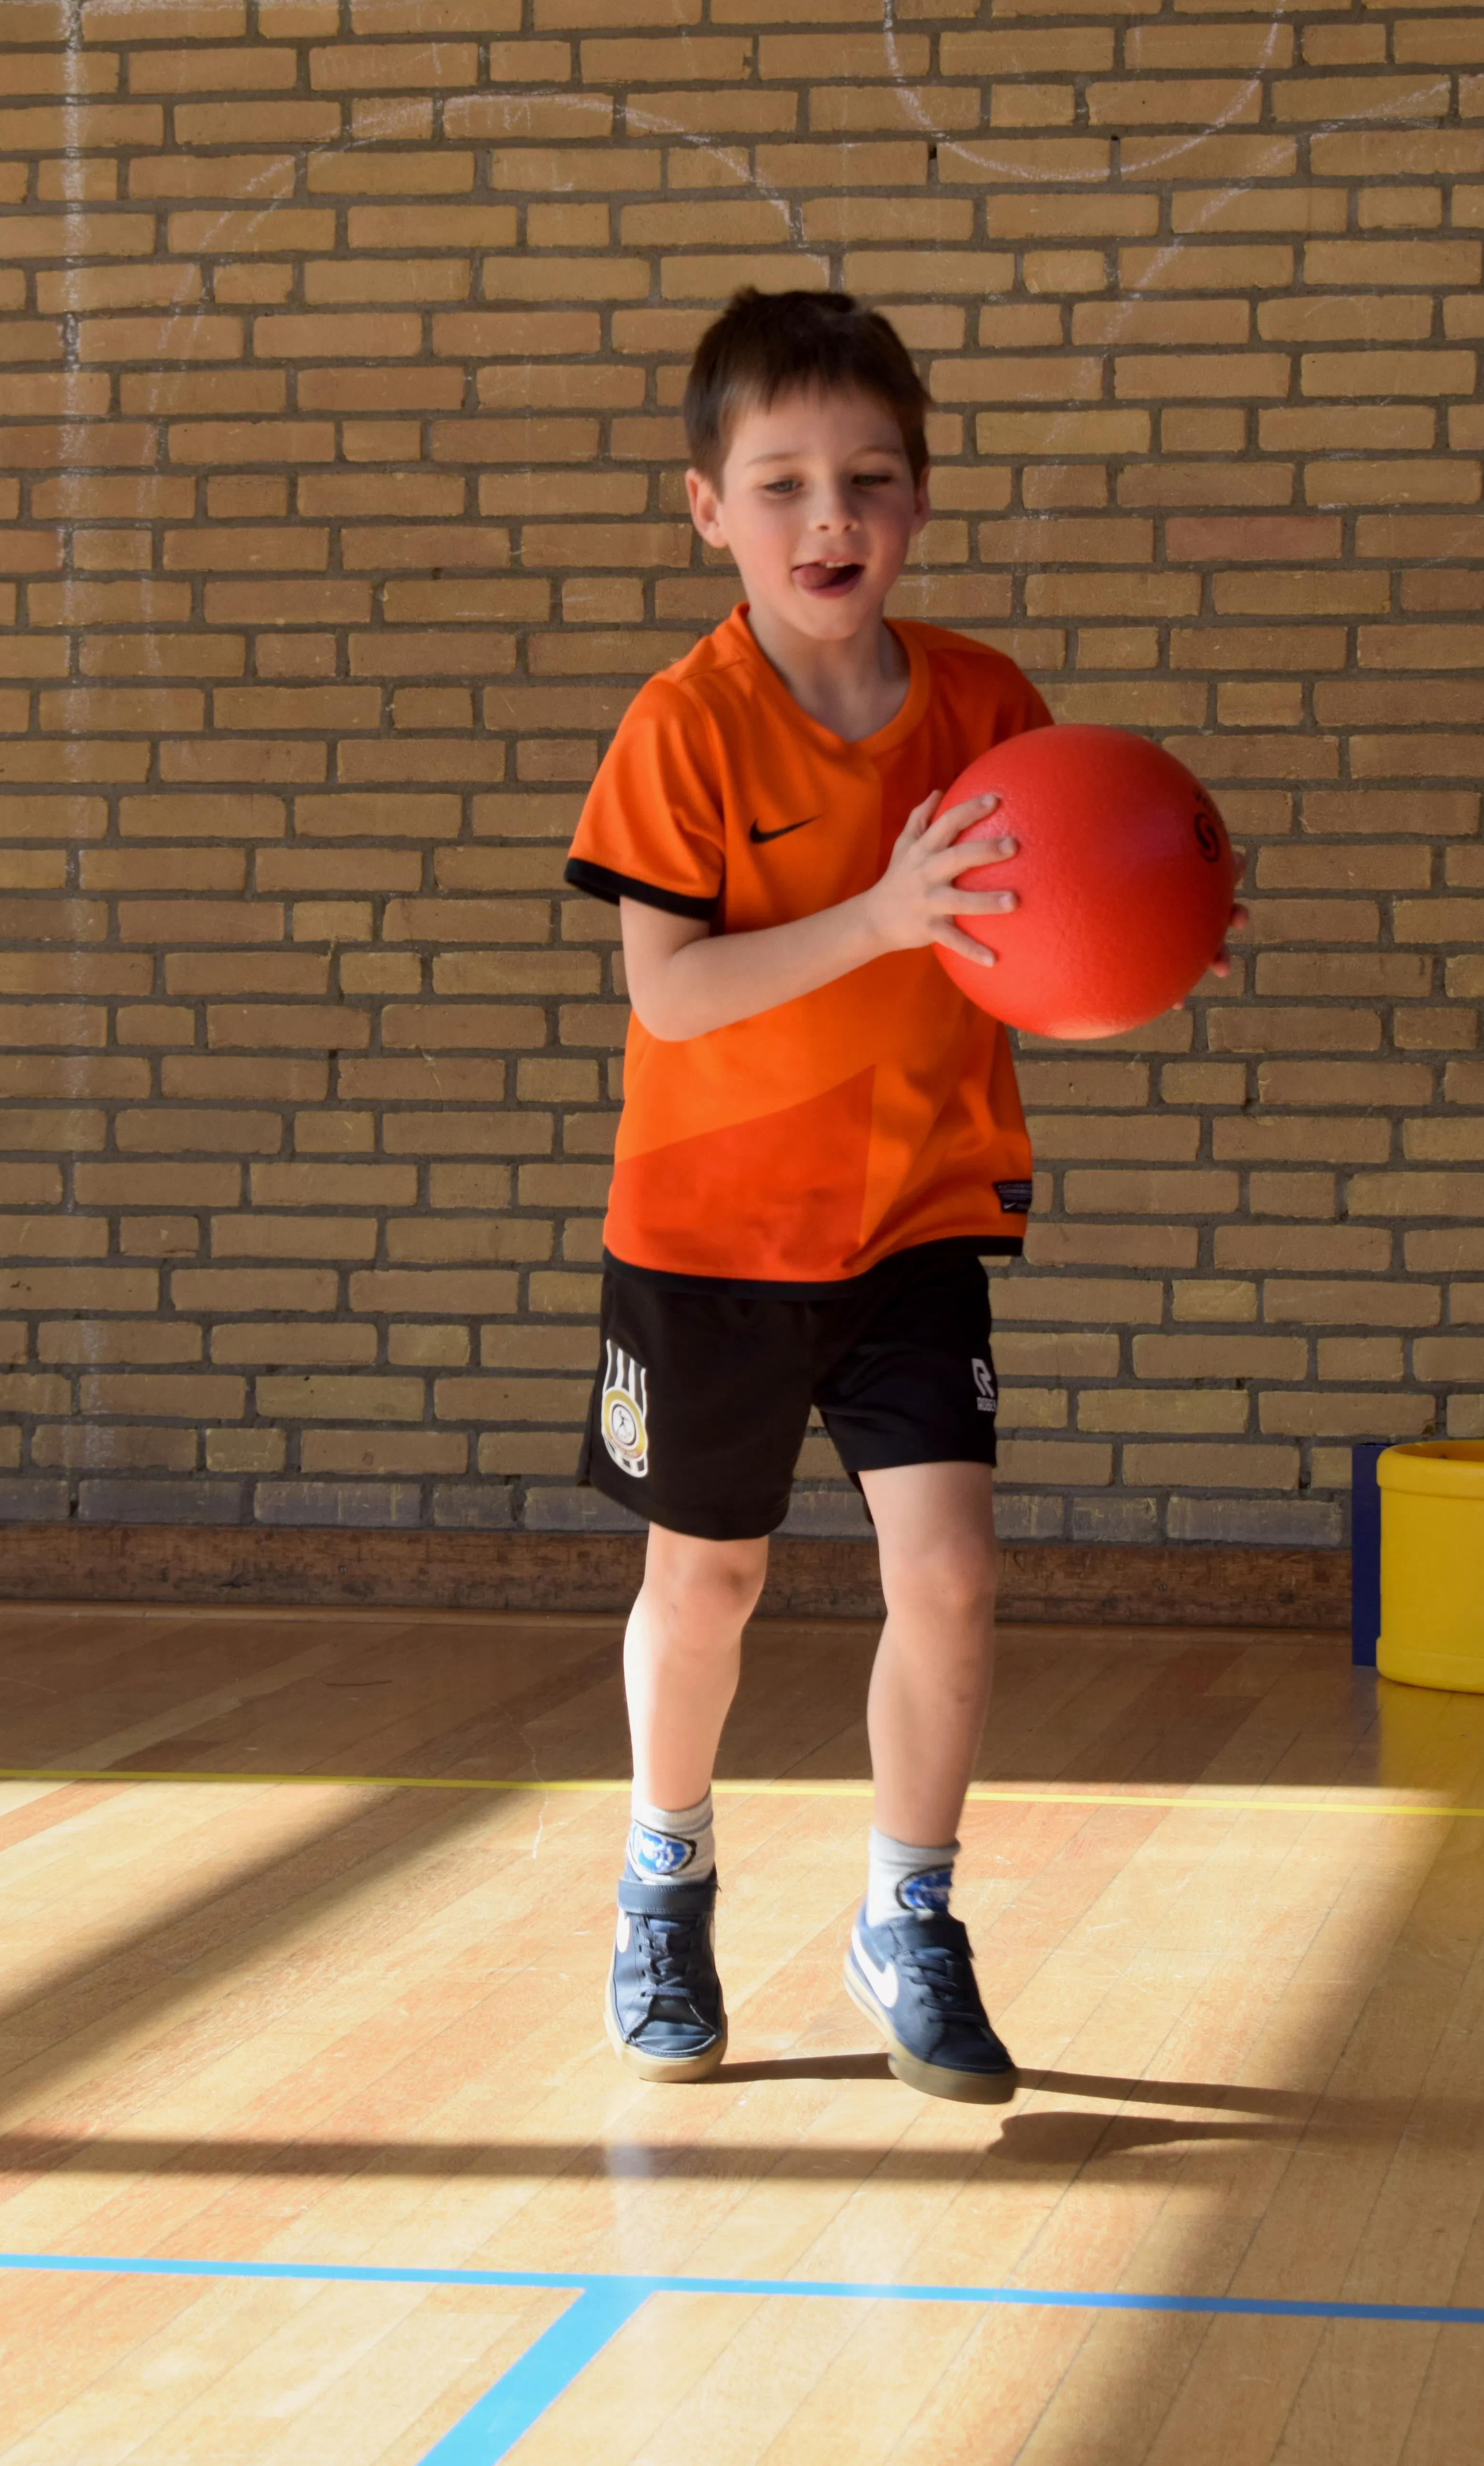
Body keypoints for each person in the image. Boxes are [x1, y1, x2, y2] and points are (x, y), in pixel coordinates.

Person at [564, 284, 1051, 2105]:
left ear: (917, 503)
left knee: (954, 1575)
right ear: (708, 508)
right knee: (711, 1588)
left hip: (918, 1211)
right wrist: (872, 919)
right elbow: (669, 990)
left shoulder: (991, 704)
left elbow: (1034, 933)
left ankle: (906, 1915)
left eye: (868, 480)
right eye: (781, 486)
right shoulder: (684, 730)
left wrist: (1135, 944)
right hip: (709, 1235)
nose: (828, 519)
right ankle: (664, 1872)